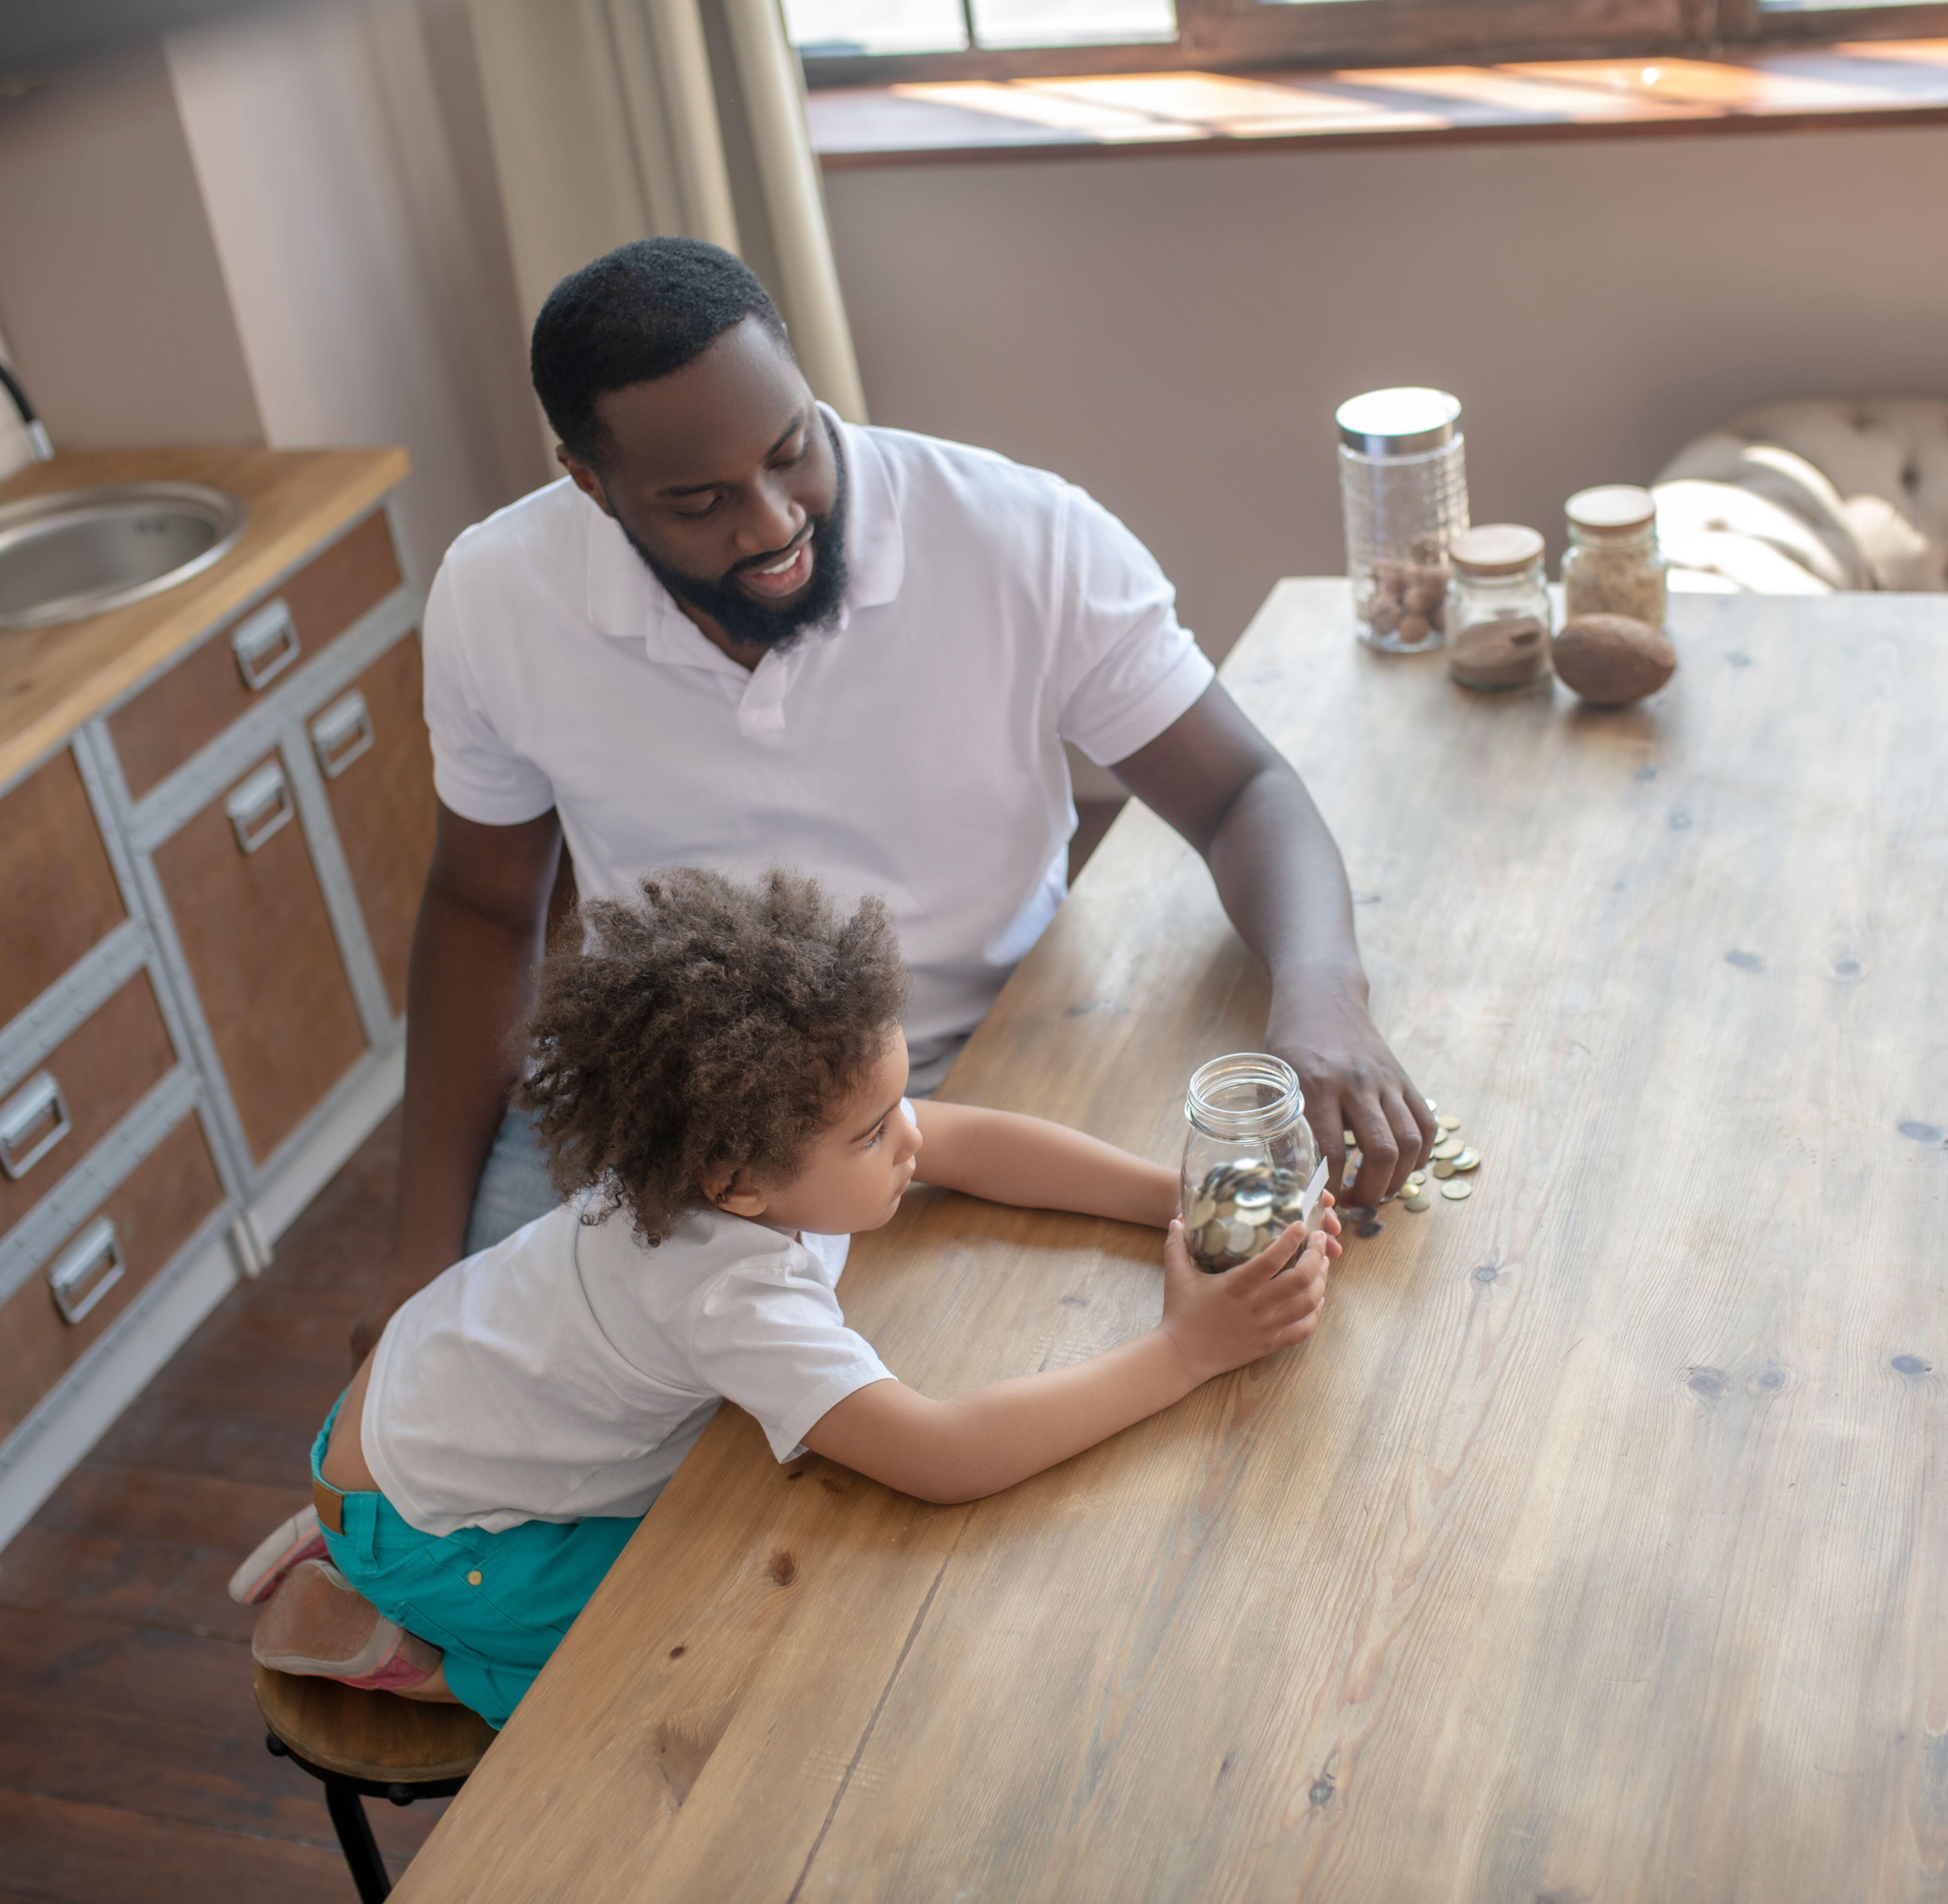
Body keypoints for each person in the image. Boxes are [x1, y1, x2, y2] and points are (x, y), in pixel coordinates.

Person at [347, 237, 1426, 1364]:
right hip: (676, 1109)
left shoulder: (1022, 534)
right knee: (456, 1411)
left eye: (790, 451)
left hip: (976, 1061)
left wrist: (1322, 994)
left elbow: (1244, 791)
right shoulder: (497, 593)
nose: (769, 524)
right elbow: (482, 906)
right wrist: (416, 1256)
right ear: (590, 482)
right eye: (699, 500)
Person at [248, 869, 1338, 1724]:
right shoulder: (724, 1290)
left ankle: (357, 1538)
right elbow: (944, 1456)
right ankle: (394, 1637)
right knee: (667, 1657)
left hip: (415, 1405)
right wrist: (1188, 1352)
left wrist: (1182, 1197)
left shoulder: (742, 1160)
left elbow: (970, 1141)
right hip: (430, 1524)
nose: (913, 1134)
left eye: (898, 1098)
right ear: (738, 1185)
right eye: (874, 1133)